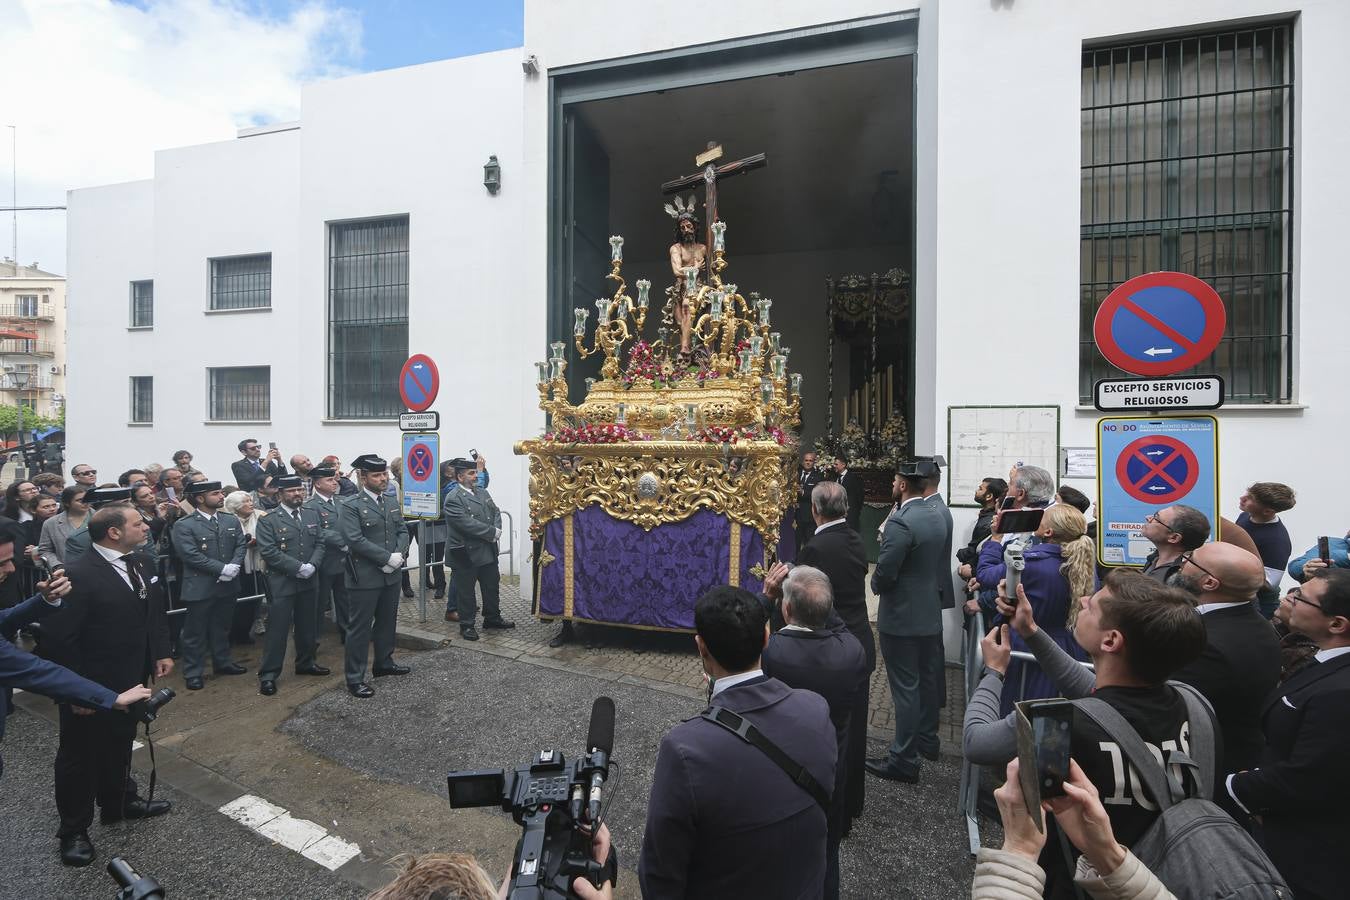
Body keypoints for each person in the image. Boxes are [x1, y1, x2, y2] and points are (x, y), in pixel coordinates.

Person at [963, 570, 1207, 897]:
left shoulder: (1056, 724)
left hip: (1073, 884)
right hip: (1155, 877)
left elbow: (976, 743)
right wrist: (1031, 632)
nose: (1082, 599)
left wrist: (993, 673)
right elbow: (1095, 694)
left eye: (1093, 604)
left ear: (1111, 640)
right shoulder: (1193, 706)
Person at [639, 585, 836, 900]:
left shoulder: (685, 749)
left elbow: (660, 874)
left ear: (701, 648)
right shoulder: (816, 708)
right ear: (767, 638)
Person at [42, 503, 173, 867]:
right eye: (137, 523)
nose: (146, 526)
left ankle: (119, 802)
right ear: (114, 532)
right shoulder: (76, 574)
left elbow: (153, 612)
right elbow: (61, 642)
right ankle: (73, 830)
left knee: (120, 740)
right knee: (80, 756)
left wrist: (159, 651)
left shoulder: (142, 562)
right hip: (90, 684)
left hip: (132, 676)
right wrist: (75, 692)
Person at [1225, 569, 1350, 900]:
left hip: (1313, 850)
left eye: (1301, 597)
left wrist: (1237, 786)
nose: (1287, 598)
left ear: (1337, 624)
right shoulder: (1326, 664)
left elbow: (1312, 774)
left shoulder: (1340, 692)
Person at [0, 534, 152, 781]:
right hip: (86, 685)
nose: (12, 569)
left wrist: (44, 601)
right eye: (2, 563)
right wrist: (110, 697)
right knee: (78, 757)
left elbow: (3, 620)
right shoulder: (81, 571)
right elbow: (35, 669)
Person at [761, 566, 867, 900]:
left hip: (779, 771)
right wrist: (817, 594)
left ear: (786, 610)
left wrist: (768, 596)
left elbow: (746, 634)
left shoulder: (772, 653)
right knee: (826, 854)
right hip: (830, 771)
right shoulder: (852, 654)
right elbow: (837, 624)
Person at [1165, 541, 1281, 801]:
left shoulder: (1208, 643)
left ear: (1210, 583)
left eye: (1191, 560)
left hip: (1206, 775)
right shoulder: (1256, 625)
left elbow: (1169, 705)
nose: (1182, 563)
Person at [974, 758, 1177, 900]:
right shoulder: (1197, 711)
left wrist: (1020, 850)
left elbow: (978, 743)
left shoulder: (1082, 721)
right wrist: (1105, 852)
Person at [796, 480, 873, 830]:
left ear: (815, 510)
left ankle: (833, 815)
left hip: (829, 647)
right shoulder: (855, 538)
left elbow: (805, 602)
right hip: (859, 641)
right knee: (854, 728)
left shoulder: (816, 548)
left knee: (828, 733)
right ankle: (852, 803)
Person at [867, 459, 947, 784]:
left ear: (902, 485)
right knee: (926, 680)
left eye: (894, 481)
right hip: (929, 612)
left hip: (902, 617)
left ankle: (903, 758)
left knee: (905, 689)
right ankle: (927, 740)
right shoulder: (936, 514)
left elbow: (885, 572)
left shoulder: (902, 521)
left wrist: (874, 585)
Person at [975, 503, 1095, 714]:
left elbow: (985, 575)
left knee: (1019, 714)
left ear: (1048, 532)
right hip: (1069, 654)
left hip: (1027, 650)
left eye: (1042, 518)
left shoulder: (1030, 564)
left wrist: (995, 540)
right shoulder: (1085, 569)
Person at [339, 454, 411, 698]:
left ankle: (383, 663)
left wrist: (398, 556)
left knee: (387, 622)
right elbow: (354, 539)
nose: (383, 479)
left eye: (384, 474)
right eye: (377, 475)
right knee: (359, 628)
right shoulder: (351, 505)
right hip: (365, 576)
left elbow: (402, 529)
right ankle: (355, 678)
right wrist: (385, 558)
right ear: (362, 477)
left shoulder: (390, 500)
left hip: (391, 574)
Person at [254, 475, 329, 695]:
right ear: (280, 494)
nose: (297, 494)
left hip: (309, 578)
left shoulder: (311, 513)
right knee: (277, 630)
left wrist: (313, 565)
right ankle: (268, 674)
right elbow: (268, 551)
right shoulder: (269, 519)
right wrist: (298, 567)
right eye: (291, 491)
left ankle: (306, 663)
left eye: (299, 490)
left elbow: (320, 542)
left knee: (308, 625)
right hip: (282, 581)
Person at [170, 480, 247, 691]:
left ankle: (223, 662)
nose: (221, 496)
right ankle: (193, 672)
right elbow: (189, 554)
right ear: (200, 498)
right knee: (195, 632)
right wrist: (221, 569)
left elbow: (240, 544)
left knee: (222, 627)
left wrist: (233, 566)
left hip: (228, 584)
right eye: (216, 493)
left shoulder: (229, 520)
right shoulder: (184, 524)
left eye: (221, 492)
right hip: (201, 586)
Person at [442, 457, 514, 642]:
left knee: (491, 585)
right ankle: (466, 625)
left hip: (487, 549)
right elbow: (465, 524)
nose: (476, 476)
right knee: (466, 591)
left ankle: (492, 618)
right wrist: (491, 532)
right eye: (471, 473)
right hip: (465, 552)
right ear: (459, 477)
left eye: (475, 473)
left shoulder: (482, 492)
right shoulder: (453, 498)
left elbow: (495, 511)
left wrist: (497, 529)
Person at [304, 464, 351, 642]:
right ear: (317, 484)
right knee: (318, 603)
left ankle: (347, 634)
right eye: (329, 480)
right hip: (323, 562)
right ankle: (313, 640)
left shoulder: (342, 501)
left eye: (334, 478)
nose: (334, 482)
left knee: (345, 600)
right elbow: (316, 530)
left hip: (343, 560)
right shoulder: (310, 506)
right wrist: (342, 540)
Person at [222, 490, 267, 643]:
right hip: (236, 566)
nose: (251, 504)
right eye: (246, 502)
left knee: (253, 601)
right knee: (238, 603)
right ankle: (233, 634)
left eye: (250, 500)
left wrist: (258, 541)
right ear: (236, 507)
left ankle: (245, 632)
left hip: (258, 565)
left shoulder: (261, 516)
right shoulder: (227, 520)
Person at [1234, 482, 1296, 589]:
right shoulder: (1245, 515)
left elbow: (1269, 583)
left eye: (1250, 498)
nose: (1242, 498)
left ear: (1267, 511)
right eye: (1246, 493)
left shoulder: (1277, 541)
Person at [1138, 504, 1208, 584]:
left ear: (1174, 538)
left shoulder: (1181, 577)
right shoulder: (1153, 559)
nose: (1148, 517)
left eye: (1156, 518)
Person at [38, 486, 89, 571]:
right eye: (79, 500)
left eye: (87, 499)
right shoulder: (51, 523)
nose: (85, 503)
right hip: (67, 572)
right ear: (67, 503)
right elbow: (45, 550)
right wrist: (57, 565)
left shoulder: (101, 518)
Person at [794, 451, 825, 554]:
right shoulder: (796, 473)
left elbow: (817, 493)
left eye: (810, 461)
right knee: (795, 540)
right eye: (806, 460)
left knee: (809, 540)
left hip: (809, 515)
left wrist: (803, 492)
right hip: (796, 515)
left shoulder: (818, 476)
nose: (808, 463)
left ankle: (808, 562)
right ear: (803, 461)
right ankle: (795, 561)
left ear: (814, 462)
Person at [830, 454, 865, 533]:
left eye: (836, 464)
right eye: (834, 464)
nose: (834, 466)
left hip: (850, 516)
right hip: (836, 516)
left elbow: (860, 496)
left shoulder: (853, 478)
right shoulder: (834, 477)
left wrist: (854, 512)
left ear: (843, 465)